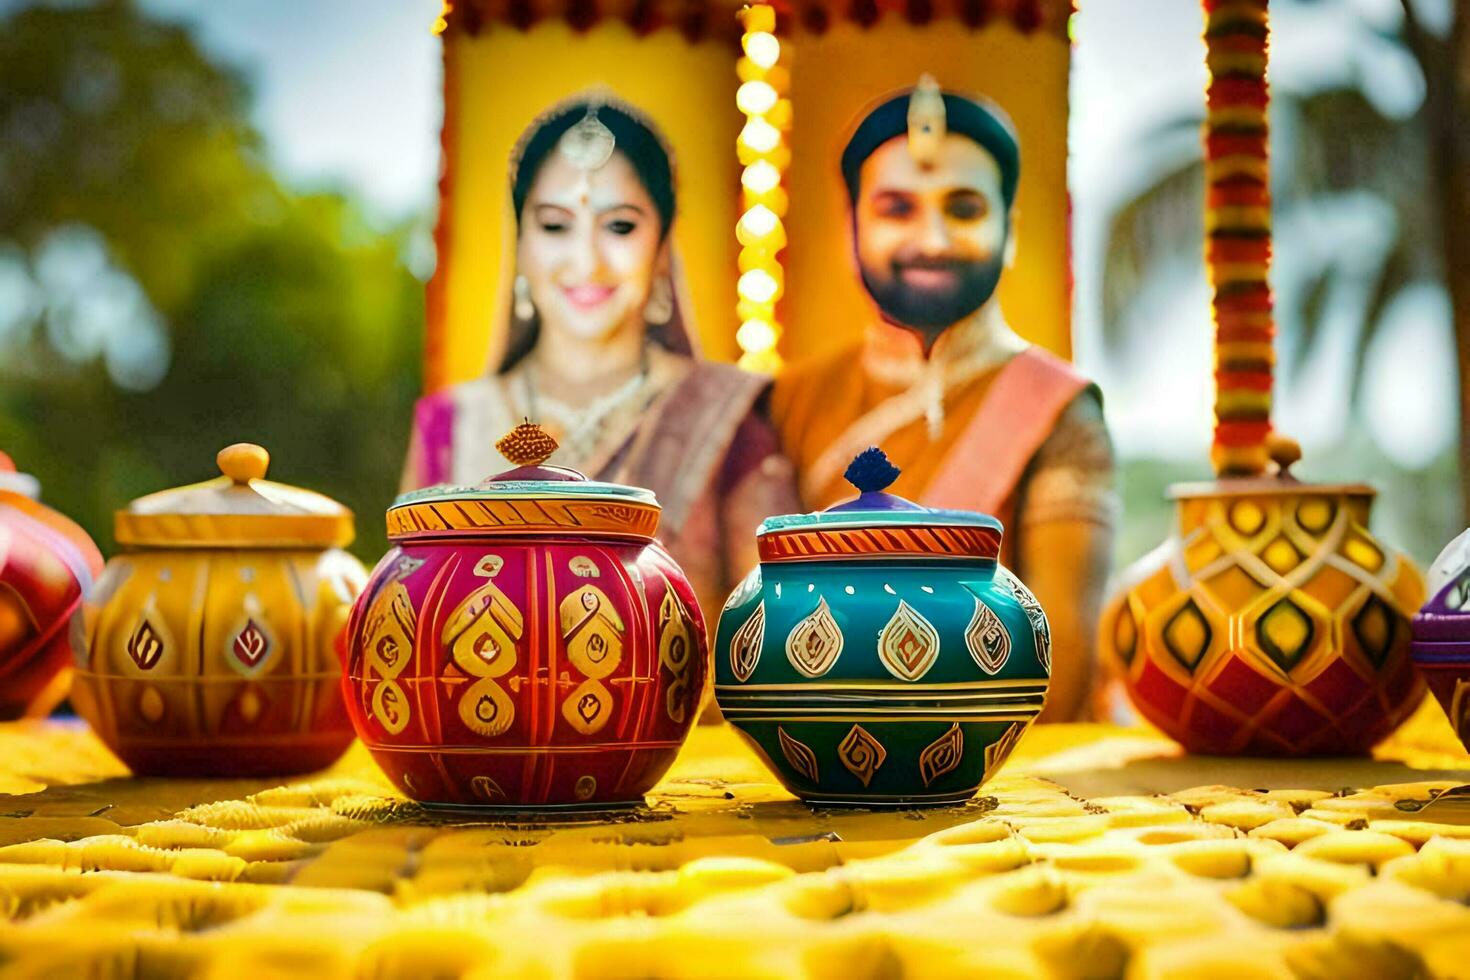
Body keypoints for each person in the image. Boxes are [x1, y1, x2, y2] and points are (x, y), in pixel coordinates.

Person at [772, 77, 1116, 721]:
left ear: (1010, 230)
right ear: (851, 227)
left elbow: (1060, 672)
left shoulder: (1059, 410)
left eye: (963, 209)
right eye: (897, 209)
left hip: (998, 780)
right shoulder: (788, 401)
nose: (931, 238)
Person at [403, 96, 799, 628]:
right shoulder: (452, 424)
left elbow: (781, 634)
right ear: (519, 243)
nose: (586, 260)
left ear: (662, 251)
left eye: (619, 227)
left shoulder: (725, 418)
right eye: (554, 226)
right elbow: (400, 622)